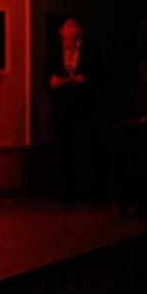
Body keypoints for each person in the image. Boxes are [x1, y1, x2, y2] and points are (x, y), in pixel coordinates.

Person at [44, 15, 105, 203]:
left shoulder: (90, 52)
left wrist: (85, 81)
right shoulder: (53, 53)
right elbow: (45, 80)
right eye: (69, 26)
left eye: (76, 26)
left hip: (84, 107)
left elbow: (100, 77)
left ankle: (87, 190)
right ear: (61, 31)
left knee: (84, 146)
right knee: (63, 147)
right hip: (62, 108)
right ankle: (65, 192)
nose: (73, 30)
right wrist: (54, 83)